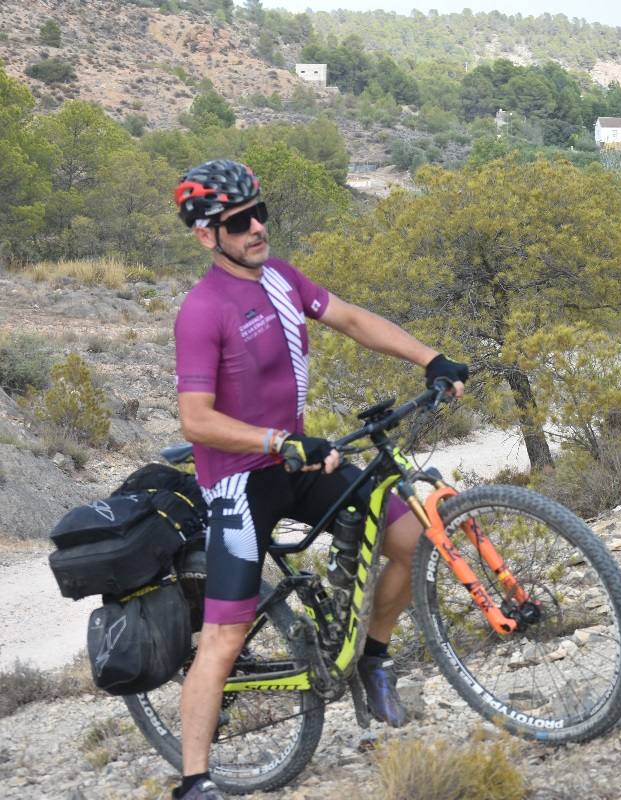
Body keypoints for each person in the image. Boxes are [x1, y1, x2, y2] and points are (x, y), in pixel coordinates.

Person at [170, 159, 469, 800]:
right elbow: (195, 419)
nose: (256, 228)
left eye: (261, 212)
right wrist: (278, 441)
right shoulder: (201, 311)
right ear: (205, 235)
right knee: (224, 635)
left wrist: (429, 357)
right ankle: (194, 780)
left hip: (303, 460)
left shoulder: (278, 277)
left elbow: (353, 319)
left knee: (409, 540)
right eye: (238, 221)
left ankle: (372, 660)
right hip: (239, 483)